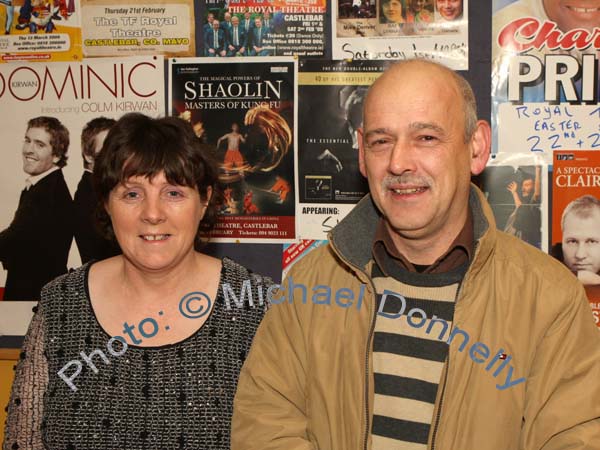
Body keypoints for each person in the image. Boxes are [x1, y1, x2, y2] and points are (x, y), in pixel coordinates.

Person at [231, 60, 600, 449]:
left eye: (425, 138)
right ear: (361, 155)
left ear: (476, 148)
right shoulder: (309, 284)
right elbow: (264, 427)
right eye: (380, 141)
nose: (398, 163)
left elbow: (575, 438)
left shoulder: (550, 298)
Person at [3, 113, 270, 449]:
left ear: (203, 201)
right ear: (106, 202)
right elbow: (22, 440)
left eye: (173, 193)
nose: (152, 213)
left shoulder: (256, 305)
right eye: (131, 194)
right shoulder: (61, 304)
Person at [0, 116, 74, 301]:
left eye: (39, 144)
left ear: (56, 155)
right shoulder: (43, 186)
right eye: (27, 140)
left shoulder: (46, 193)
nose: (29, 150)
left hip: (34, 297)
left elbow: (13, 240)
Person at [74, 117, 121, 264]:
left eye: (118, 149)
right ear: (88, 156)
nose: (115, 157)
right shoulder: (90, 195)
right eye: (106, 150)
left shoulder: (106, 187)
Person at [561, 195, 600, 286]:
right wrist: (573, 277)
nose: (580, 255)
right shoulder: (548, 257)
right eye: (572, 241)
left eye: (591, 241)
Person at [504, 167, 541, 248]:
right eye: (523, 185)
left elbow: (537, 193)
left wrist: (538, 171)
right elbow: (519, 206)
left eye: (527, 185)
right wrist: (514, 192)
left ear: (533, 187)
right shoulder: (524, 203)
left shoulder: (533, 202)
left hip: (527, 239)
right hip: (517, 236)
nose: (523, 188)